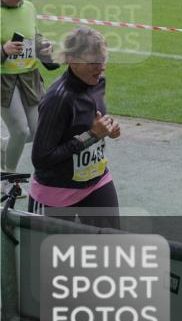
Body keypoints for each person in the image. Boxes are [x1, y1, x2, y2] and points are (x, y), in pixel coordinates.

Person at [28, 26, 121, 229]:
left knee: (113, 242)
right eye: (93, 62)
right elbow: (41, 158)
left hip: (96, 180)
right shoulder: (58, 99)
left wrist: (109, 127)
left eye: (103, 60)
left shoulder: (97, 83)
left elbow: (93, 122)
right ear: (72, 60)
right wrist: (92, 135)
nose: (101, 68)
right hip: (56, 191)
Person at [1, 0, 60, 173]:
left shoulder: (29, 7)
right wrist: (4, 50)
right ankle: (8, 178)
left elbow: (33, 34)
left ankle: (3, 146)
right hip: (4, 81)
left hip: (30, 77)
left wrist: (43, 46)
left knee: (36, 132)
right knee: (20, 130)